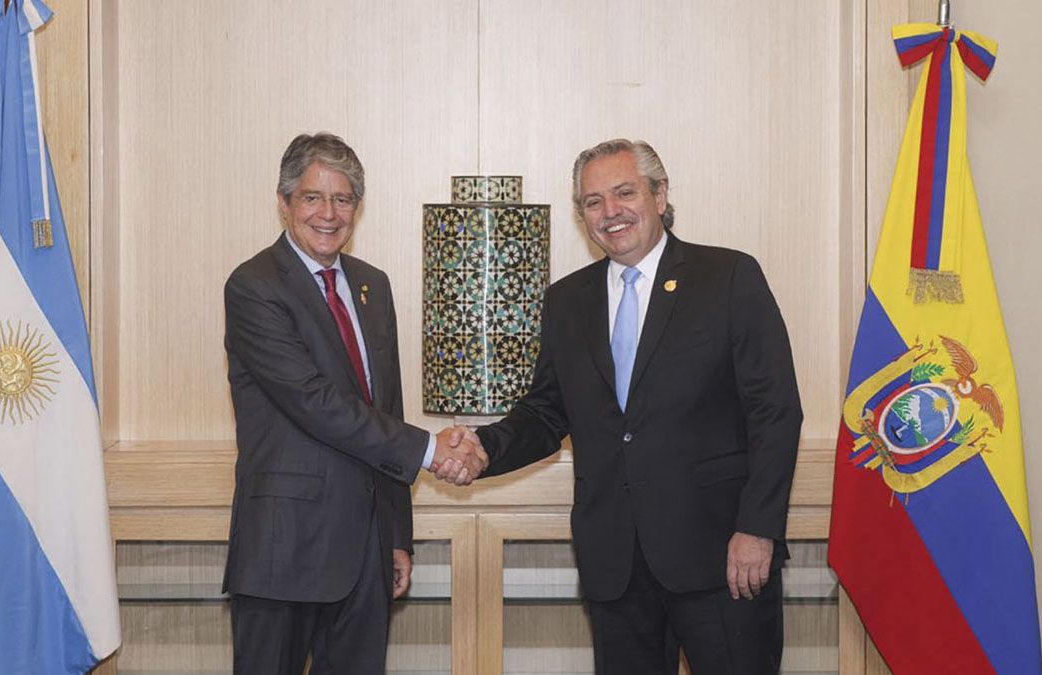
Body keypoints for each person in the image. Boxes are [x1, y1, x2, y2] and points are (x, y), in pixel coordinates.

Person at [439, 139, 802, 674]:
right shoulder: (567, 301)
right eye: (593, 201)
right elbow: (545, 412)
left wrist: (758, 528)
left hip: (722, 555)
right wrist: (483, 447)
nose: (610, 211)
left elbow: (775, 412)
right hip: (616, 563)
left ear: (660, 195)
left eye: (624, 193)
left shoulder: (727, 277)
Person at [222, 132, 486, 675]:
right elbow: (314, 402)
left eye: (342, 199)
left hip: (366, 551)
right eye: (312, 197)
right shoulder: (254, 286)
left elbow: (385, 406)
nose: (328, 213)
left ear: (357, 208)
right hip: (285, 547)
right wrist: (431, 450)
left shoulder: (372, 285)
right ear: (284, 201)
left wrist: (396, 535)